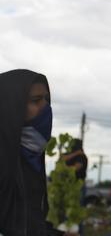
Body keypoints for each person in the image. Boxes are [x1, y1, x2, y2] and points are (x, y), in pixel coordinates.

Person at [0, 69, 58, 236]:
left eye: (46, 99)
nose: (46, 106)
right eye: (36, 100)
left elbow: (29, 223)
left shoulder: (32, 156)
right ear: (11, 106)